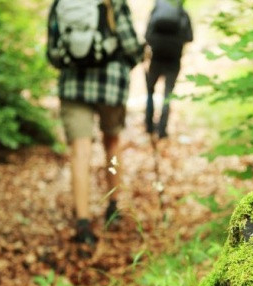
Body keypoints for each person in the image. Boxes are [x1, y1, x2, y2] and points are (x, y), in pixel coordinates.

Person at [46, 0, 144, 245]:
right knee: (111, 143)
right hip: (110, 85)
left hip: (72, 85)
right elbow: (131, 44)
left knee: (80, 151)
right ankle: (113, 204)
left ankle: (83, 222)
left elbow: (52, 52)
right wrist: (134, 59)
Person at [144, 0, 193, 138]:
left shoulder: (156, 10)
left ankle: (149, 126)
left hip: (157, 57)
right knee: (168, 94)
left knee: (150, 91)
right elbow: (189, 37)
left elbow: (147, 35)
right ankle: (162, 130)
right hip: (174, 59)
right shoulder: (182, 13)